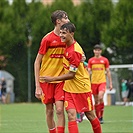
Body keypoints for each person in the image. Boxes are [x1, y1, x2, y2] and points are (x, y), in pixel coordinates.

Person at [41, 22, 102, 133]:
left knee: (90, 115)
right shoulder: (66, 44)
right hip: (69, 89)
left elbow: (71, 75)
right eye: (61, 33)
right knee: (71, 115)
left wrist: (52, 79)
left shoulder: (74, 51)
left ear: (72, 34)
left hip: (81, 88)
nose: (61, 36)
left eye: (64, 33)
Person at [34, 10, 70, 133]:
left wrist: (81, 57)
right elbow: (37, 62)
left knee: (59, 110)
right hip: (46, 80)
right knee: (49, 111)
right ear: (58, 21)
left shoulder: (67, 37)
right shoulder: (47, 39)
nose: (68, 20)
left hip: (60, 79)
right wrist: (37, 86)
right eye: (66, 18)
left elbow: (74, 51)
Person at [88, 44, 113, 124]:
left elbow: (108, 72)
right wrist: (87, 82)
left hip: (102, 82)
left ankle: (101, 117)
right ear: (94, 51)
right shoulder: (91, 60)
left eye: (99, 50)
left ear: (101, 51)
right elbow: (88, 72)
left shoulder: (104, 60)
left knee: (100, 97)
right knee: (96, 100)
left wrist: (110, 83)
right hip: (93, 83)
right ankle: (98, 117)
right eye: (96, 50)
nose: (97, 52)